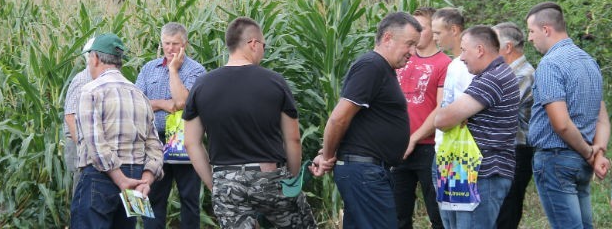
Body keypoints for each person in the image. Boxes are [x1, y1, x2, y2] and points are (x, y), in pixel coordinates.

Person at [183, 17, 317, 229]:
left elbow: (191, 142)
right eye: (264, 45)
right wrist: (291, 180)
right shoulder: (274, 82)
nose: (263, 50)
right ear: (253, 43)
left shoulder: (201, 85)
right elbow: (293, 139)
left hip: (225, 179)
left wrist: (215, 184)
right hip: (269, 176)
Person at [310, 12, 422, 229]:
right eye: (409, 44)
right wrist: (328, 156)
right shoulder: (372, 66)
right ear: (388, 38)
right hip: (365, 174)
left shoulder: (381, 69)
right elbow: (338, 119)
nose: (413, 52)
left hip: (368, 172)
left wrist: (326, 153)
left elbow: (358, 123)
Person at [525, 2, 611, 229]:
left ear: (546, 29)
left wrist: (588, 152)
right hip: (580, 163)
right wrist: (598, 152)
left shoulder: (550, 64)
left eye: (531, 31)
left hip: (556, 159)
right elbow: (602, 118)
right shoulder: (589, 61)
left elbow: (561, 124)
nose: (530, 38)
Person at [71, 33, 164, 228]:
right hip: (136, 177)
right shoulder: (139, 95)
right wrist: (145, 181)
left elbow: (96, 144)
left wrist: (121, 180)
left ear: (95, 58)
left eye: (89, 59)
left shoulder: (90, 91)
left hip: (100, 178)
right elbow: (155, 146)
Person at [434, 25, 519, 229]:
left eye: (464, 50)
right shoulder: (489, 76)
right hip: (466, 171)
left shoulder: (492, 79)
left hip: (484, 175)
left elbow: (442, 120)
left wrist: (456, 115)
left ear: (480, 50)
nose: (461, 58)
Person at [136, 22, 206, 229]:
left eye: (175, 44)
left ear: (185, 44)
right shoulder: (149, 69)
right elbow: (138, 102)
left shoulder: (196, 70)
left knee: (189, 199)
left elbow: (183, 102)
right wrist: (161, 104)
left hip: (186, 141)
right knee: (155, 197)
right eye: (166, 43)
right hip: (154, 141)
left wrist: (174, 71)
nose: (170, 49)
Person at [392, 7, 450, 229]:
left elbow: (441, 107)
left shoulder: (444, 63)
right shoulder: (402, 59)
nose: (415, 33)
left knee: (438, 214)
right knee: (398, 214)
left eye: (422, 28)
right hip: (398, 148)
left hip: (430, 148)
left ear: (433, 31)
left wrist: (414, 138)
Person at [492, 22, 535, 229]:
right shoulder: (508, 73)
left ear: (507, 47)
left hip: (518, 150)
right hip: (508, 149)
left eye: (494, 43)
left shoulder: (522, 74)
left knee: (507, 210)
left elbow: (498, 108)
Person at [430, 7, 475, 189]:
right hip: (443, 147)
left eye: (438, 32)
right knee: (446, 212)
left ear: (454, 30)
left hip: (458, 151)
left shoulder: (469, 67)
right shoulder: (452, 64)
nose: (434, 38)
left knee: (457, 211)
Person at [63, 37, 95, 198]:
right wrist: (85, 147)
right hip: (79, 146)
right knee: (81, 191)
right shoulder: (82, 80)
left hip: (95, 148)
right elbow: (70, 117)